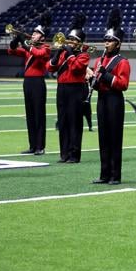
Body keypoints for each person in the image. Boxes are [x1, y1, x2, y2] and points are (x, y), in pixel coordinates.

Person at [88, 9, 131, 185]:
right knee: (103, 137)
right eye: (105, 40)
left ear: (118, 44)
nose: (106, 43)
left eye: (110, 41)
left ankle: (115, 175)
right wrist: (92, 81)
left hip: (114, 100)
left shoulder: (123, 62)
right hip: (102, 99)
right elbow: (99, 85)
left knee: (114, 137)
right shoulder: (99, 61)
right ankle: (104, 174)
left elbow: (123, 84)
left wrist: (105, 75)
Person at [47, 12, 90, 163]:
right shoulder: (64, 53)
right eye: (69, 39)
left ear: (79, 42)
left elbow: (77, 68)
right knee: (63, 121)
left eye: (73, 40)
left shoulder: (83, 55)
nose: (69, 42)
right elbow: (50, 68)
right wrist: (57, 53)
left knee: (74, 122)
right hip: (62, 89)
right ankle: (64, 153)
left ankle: (74, 154)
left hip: (76, 90)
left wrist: (70, 53)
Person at [6, 13, 52, 155]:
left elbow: (38, 54)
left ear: (42, 36)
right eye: (32, 32)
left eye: (36, 33)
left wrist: (24, 43)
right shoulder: (30, 48)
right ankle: (32, 145)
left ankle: (40, 146)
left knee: (39, 114)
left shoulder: (46, 47)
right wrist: (14, 42)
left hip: (38, 83)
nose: (32, 35)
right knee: (30, 114)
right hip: (27, 83)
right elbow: (11, 52)